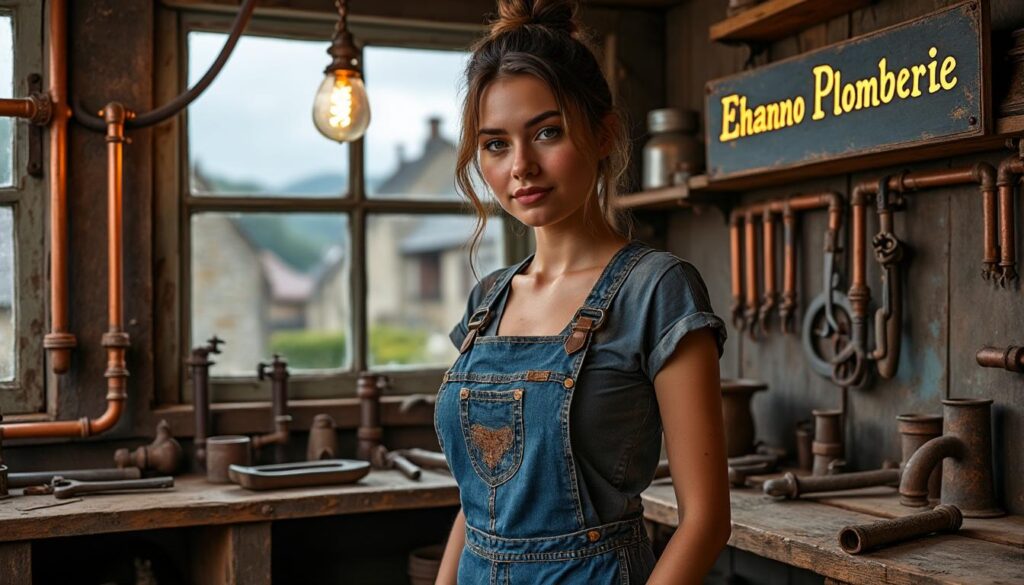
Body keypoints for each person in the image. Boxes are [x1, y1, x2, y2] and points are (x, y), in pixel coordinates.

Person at [433, 1, 731, 582]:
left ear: (603, 135)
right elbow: (481, 503)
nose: (521, 166)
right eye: (495, 144)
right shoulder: (487, 300)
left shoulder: (657, 290)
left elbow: (706, 521)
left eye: (547, 133)